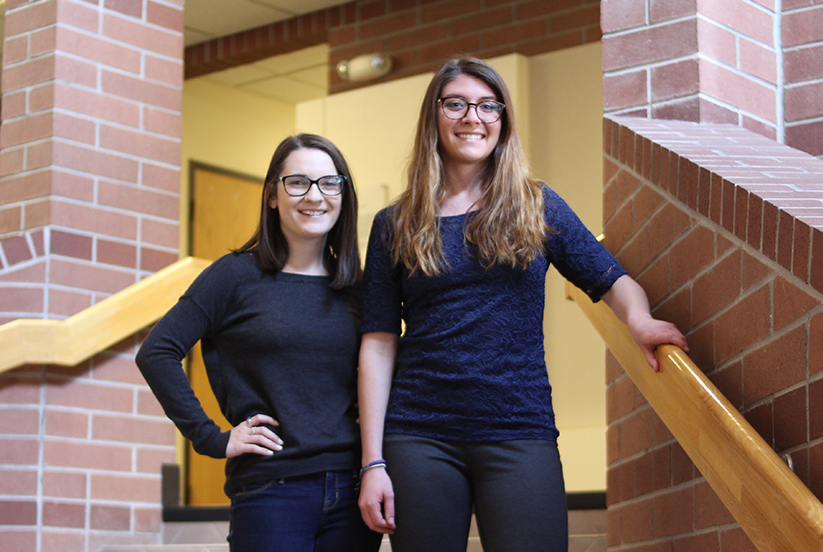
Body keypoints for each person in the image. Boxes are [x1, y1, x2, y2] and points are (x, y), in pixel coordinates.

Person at [356, 58, 688, 552]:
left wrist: (638, 319)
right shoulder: (395, 223)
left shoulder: (537, 205)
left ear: (503, 120)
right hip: (419, 435)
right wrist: (373, 462)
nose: (474, 116)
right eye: (457, 104)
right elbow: (379, 343)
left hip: (519, 429)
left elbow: (611, 278)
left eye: (489, 105)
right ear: (434, 117)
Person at [136, 134, 382, 552]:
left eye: (329, 183)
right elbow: (157, 352)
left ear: (343, 194)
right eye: (298, 182)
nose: (315, 196)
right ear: (272, 195)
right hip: (272, 489)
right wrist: (213, 438)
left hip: (352, 486)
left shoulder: (357, 287)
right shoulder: (233, 276)